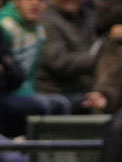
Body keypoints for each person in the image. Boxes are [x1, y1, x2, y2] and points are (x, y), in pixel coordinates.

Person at [0, 0, 70, 136]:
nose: (35, 4)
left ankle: (49, 155)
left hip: (25, 90)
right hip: (7, 94)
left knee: (61, 104)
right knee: (40, 105)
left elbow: (29, 75)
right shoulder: (5, 26)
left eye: (42, 0)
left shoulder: (40, 31)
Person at [37, 0, 100, 113]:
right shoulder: (47, 20)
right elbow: (59, 62)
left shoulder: (88, 16)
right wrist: (98, 59)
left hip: (85, 88)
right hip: (56, 90)